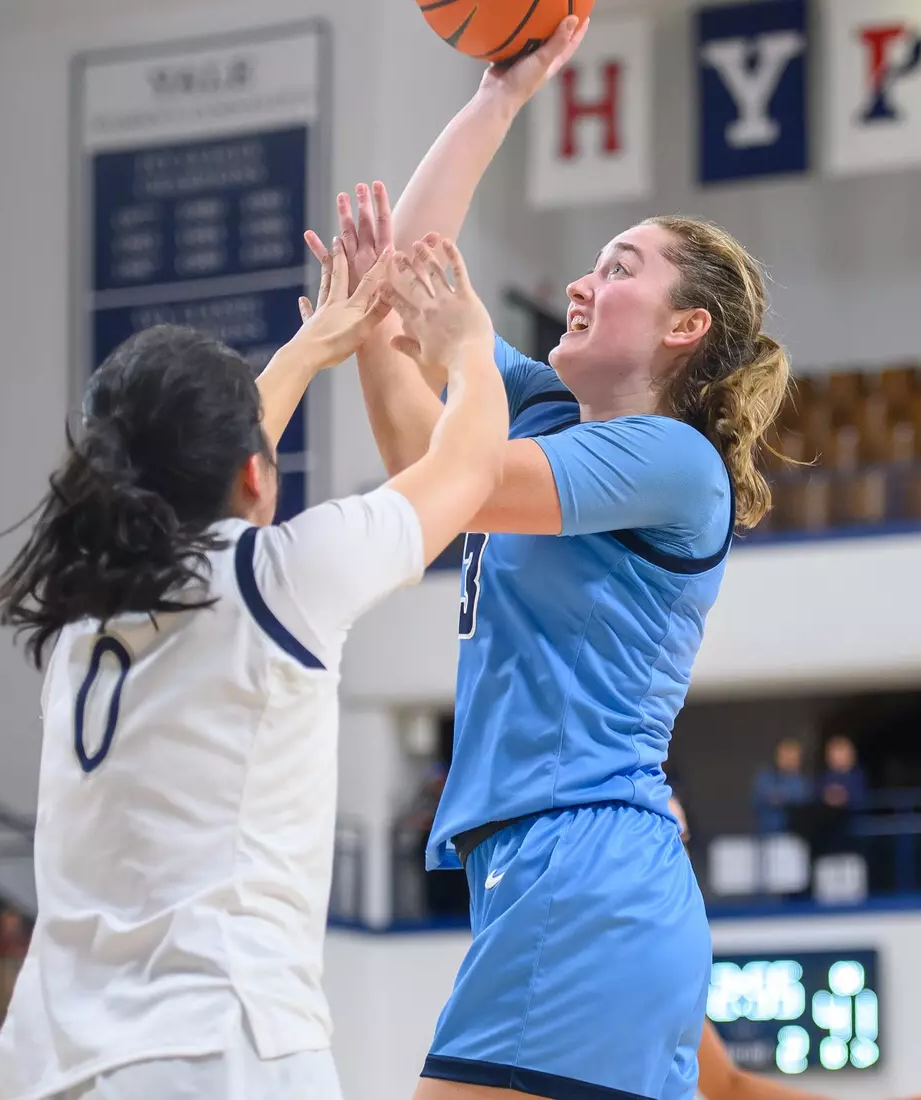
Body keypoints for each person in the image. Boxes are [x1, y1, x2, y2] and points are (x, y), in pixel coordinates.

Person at [328, 17, 791, 1100]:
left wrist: (432, 333)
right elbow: (422, 455)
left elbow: (465, 472)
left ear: (684, 328)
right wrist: (501, 97)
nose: (581, 285)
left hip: (584, 871)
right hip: (556, 876)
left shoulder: (675, 460)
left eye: (617, 268)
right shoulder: (537, 408)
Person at [0, 212, 510, 1100]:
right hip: (215, 1048)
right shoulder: (279, 580)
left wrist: (308, 350)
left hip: (47, 1065)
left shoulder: (80, 622)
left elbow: (180, 474)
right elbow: (469, 470)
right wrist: (472, 347)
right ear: (258, 474)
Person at [662, 796, 921, 1100]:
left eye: (684, 836)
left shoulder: (666, 960)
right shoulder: (642, 958)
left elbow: (728, 1085)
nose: (680, 849)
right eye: (671, 834)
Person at [752, 738, 813, 835]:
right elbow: (758, 800)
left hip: (794, 837)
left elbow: (803, 802)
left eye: (792, 755)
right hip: (766, 836)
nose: (788, 759)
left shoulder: (804, 783)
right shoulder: (765, 778)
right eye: (785, 754)